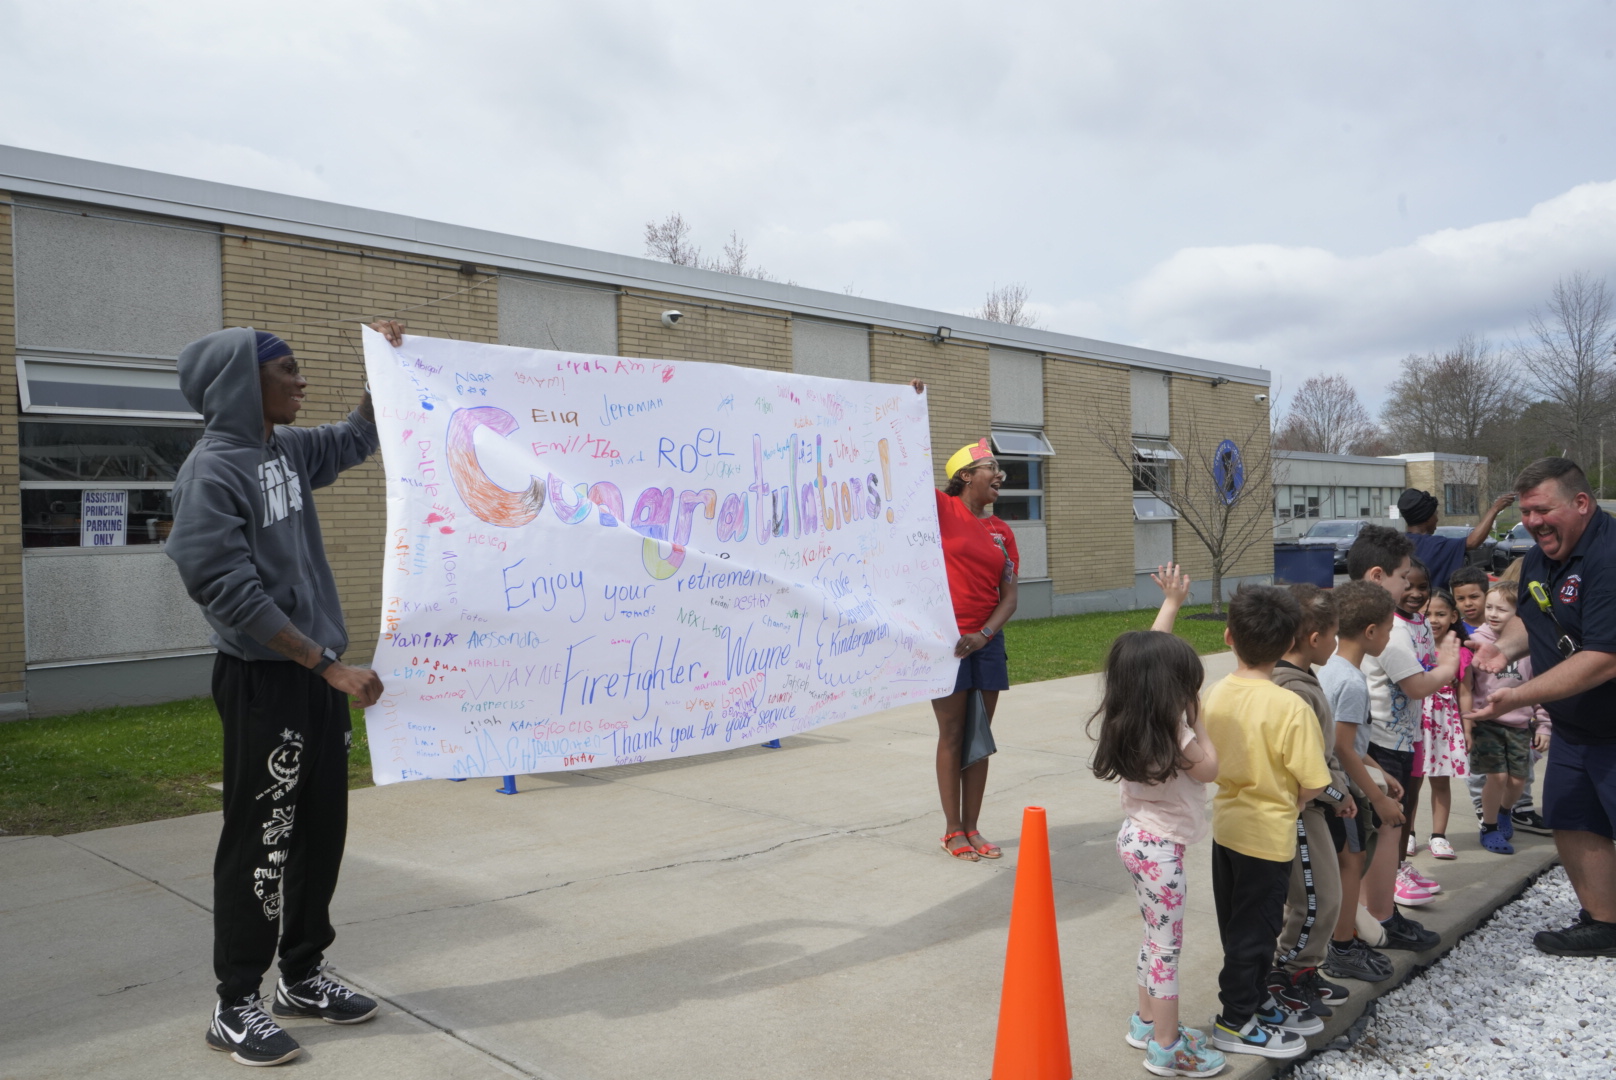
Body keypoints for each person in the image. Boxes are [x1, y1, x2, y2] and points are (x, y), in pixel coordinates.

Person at [168, 322, 399, 1066]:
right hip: (267, 679)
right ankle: (235, 1003)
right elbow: (222, 588)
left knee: (320, 828)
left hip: (316, 679)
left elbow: (360, 437)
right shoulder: (213, 471)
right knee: (261, 839)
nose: (302, 382)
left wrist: (386, 367)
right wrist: (322, 664)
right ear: (244, 383)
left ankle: (302, 975)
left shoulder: (285, 452)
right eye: (288, 371)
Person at [1469, 458, 1616, 956]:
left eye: (1541, 510)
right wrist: (1502, 651)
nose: (1531, 522)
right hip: (1578, 729)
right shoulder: (1539, 559)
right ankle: (1605, 923)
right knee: (1572, 818)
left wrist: (1518, 695)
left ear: (1580, 503)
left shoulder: (1608, 558)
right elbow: (1529, 624)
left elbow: (1602, 659)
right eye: (1526, 512)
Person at [1090, 564, 1227, 1078]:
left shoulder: (1128, 710)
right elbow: (1211, 769)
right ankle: (1167, 1047)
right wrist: (1200, 720)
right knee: (1168, 946)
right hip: (1163, 850)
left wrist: (1171, 604)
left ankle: (1147, 1020)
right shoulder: (1175, 729)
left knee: (1154, 936)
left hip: (1137, 839)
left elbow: (1146, 656)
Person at [1204, 585, 1331, 1060]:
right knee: (1256, 934)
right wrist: (1295, 803)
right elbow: (1314, 781)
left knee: (1237, 926)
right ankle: (1235, 1021)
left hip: (1227, 827)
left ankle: (1254, 999)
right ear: (1286, 646)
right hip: (1269, 836)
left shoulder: (1213, 694)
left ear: (1228, 637)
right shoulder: (1290, 706)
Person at [1350, 526, 1452, 950]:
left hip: (1389, 743)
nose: (1409, 585)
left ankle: (1373, 917)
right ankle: (1381, 919)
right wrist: (1450, 662)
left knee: (1382, 837)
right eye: (1402, 577)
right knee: (1385, 835)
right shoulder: (1380, 631)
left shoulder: (1383, 624)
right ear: (1377, 577)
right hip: (1381, 746)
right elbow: (1415, 684)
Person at [929, 434, 1019, 861]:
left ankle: (973, 826)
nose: (999, 474)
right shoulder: (941, 510)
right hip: (945, 644)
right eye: (991, 467)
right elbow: (896, 476)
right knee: (953, 734)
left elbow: (1010, 597)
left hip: (985, 642)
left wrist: (984, 635)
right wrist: (910, 403)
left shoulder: (1002, 531)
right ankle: (952, 830)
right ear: (965, 477)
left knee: (979, 736)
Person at [1266, 585, 1354, 1020]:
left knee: (1322, 895)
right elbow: (1306, 766)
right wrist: (1339, 795)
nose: (1337, 642)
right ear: (1315, 638)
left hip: (1319, 804)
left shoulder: (1301, 679)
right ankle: (1288, 974)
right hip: (1305, 809)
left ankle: (1303, 969)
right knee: (1317, 899)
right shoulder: (1292, 689)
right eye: (1335, 633)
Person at [1316, 581, 1398, 984]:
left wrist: (1381, 771)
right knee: (1352, 862)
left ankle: (1342, 936)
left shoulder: (1331, 670)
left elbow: (1345, 739)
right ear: (1370, 632)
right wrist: (1377, 797)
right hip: (1343, 790)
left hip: (1337, 784)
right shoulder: (1350, 682)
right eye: (1387, 628)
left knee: (1347, 862)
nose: (1388, 635)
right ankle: (1343, 947)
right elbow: (1344, 748)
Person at [1464, 582, 1546, 855]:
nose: (1493, 614)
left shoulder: (1532, 645)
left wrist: (1544, 723)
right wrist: (1467, 719)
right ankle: (1488, 827)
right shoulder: (1478, 641)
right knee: (1497, 777)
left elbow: (1540, 686)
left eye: (1502, 609)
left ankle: (1504, 813)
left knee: (1518, 780)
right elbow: (1465, 685)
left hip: (1521, 724)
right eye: (1490, 607)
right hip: (1487, 723)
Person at [1416, 590, 1470, 860]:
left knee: (1440, 781)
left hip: (1443, 724)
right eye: (1427, 614)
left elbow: (1466, 692)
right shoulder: (1411, 645)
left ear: (1453, 616)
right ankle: (1408, 833)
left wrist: (1467, 728)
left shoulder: (1461, 652)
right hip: (1414, 720)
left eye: (1440, 614)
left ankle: (1439, 836)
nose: (1433, 620)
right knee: (1411, 781)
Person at [1396, 486, 1515, 591]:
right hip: (1433, 611)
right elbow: (1473, 542)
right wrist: (1495, 509)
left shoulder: (1394, 544)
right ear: (1427, 517)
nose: (1437, 519)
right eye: (1435, 514)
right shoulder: (1437, 546)